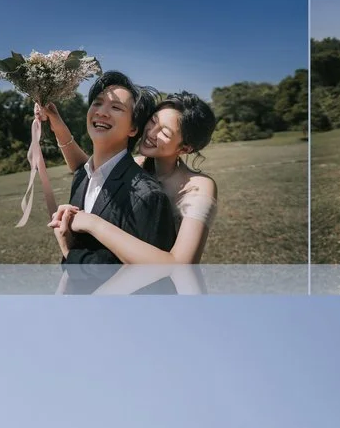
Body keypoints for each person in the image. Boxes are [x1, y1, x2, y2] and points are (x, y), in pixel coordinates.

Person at [44, 90, 222, 294]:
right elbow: (86, 169)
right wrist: (57, 125)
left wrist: (92, 224)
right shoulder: (137, 164)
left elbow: (180, 265)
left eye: (164, 133)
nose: (151, 133)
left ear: (185, 148)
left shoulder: (199, 186)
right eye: (153, 121)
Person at [48, 72, 180, 295]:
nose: (101, 111)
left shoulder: (147, 195)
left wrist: (69, 250)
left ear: (133, 128)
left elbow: (151, 280)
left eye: (116, 107)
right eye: (97, 103)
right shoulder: (82, 176)